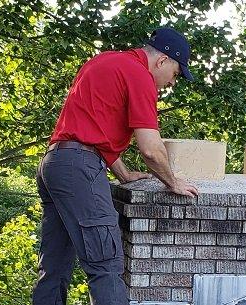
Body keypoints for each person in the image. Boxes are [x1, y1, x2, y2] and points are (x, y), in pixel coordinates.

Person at [32, 27, 199, 305]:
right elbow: (151, 149)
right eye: (176, 74)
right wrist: (173, 182)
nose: (171, 83)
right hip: (78, 170)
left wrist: (122, 172)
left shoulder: (103, 62)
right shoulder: (139, 76)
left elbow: (91, 130)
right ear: (162, 61)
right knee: (106, 267)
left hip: (55, 165)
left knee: (54, 268)